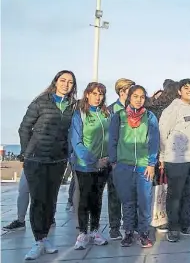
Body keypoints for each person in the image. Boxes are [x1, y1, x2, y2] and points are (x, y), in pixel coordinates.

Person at [19, 70, 77, 260]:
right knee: (38, 200)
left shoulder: (72, 106)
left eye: (70, 82)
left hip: (58, 161)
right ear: (55, 82)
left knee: (51, 200)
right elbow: (25, 128)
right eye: (62, 80)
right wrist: (27, 152)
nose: (66, 84)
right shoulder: (41, 101)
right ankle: (38, 240)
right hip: (35, 159)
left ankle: (44, 238)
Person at [108, 85, 159, 248]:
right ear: (129, 97)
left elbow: (154, 141)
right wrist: (114, 162)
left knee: (144, 201)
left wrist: (152, 163)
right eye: (135, 96)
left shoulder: (150, 116)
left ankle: (143, 232)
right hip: (124, 165)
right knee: (127, 201)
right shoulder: (119, 116)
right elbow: (113, 140)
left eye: (142, 97)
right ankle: (128, 232)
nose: (139, 100)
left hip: (144, 166)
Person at [158, 79, 190, 242]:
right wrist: (162, 156)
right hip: (176, 159)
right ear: (179, 91)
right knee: (175, 195)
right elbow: (162, 133)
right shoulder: (173, 108)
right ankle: (173, 227)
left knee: (189, 194)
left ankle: (187, 224)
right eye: (186, 88)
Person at [70, 82, 111, 250]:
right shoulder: (79, 114)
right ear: (87, 94)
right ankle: (82, 233)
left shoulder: (106, 113)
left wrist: (109, 158)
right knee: (84, 199)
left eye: (100, 94)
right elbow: (76, 141)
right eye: (94, 93)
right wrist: (93, 160)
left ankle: (94, 230)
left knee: (97, 198)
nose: (97, 97)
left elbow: (113, 137)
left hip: (104, 165)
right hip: (85, 165)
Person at [106, 78, 135, 240]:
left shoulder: (138, 109)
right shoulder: (111, 110)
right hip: (117, 161)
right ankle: (114, 226)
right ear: (122, 91)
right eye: (130, 90)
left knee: (133, 194)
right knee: (115, 194)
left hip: (134, 159)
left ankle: (131, 224)